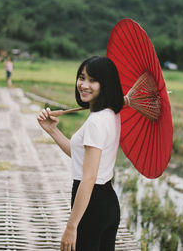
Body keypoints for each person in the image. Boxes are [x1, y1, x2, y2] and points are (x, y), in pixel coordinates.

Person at [37, 56, 124, 251]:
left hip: (91, 206)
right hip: (108, 202)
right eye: (82, 77)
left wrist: (71, 226)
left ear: (106, 84)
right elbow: (81, 157)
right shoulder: (111, 114)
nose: (84, 85)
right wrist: (52, 130)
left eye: (93, 80)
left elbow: (89, 177)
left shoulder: (96, 122)